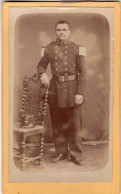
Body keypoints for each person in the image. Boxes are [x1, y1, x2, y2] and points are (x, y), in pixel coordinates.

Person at [37, 20, 86, 165]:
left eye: (64, 30)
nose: (61, 32)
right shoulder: (48, 49)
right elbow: (41, 65)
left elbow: (83, 73)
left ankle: (76, 155)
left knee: (74, 125)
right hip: (55, 90)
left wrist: (80, 93)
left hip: (72, 89)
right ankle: (61, 153)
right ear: (55, 32)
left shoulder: (78, 48)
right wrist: (42, 74)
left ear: (69, 32)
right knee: (58, 124)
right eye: (59, 30)